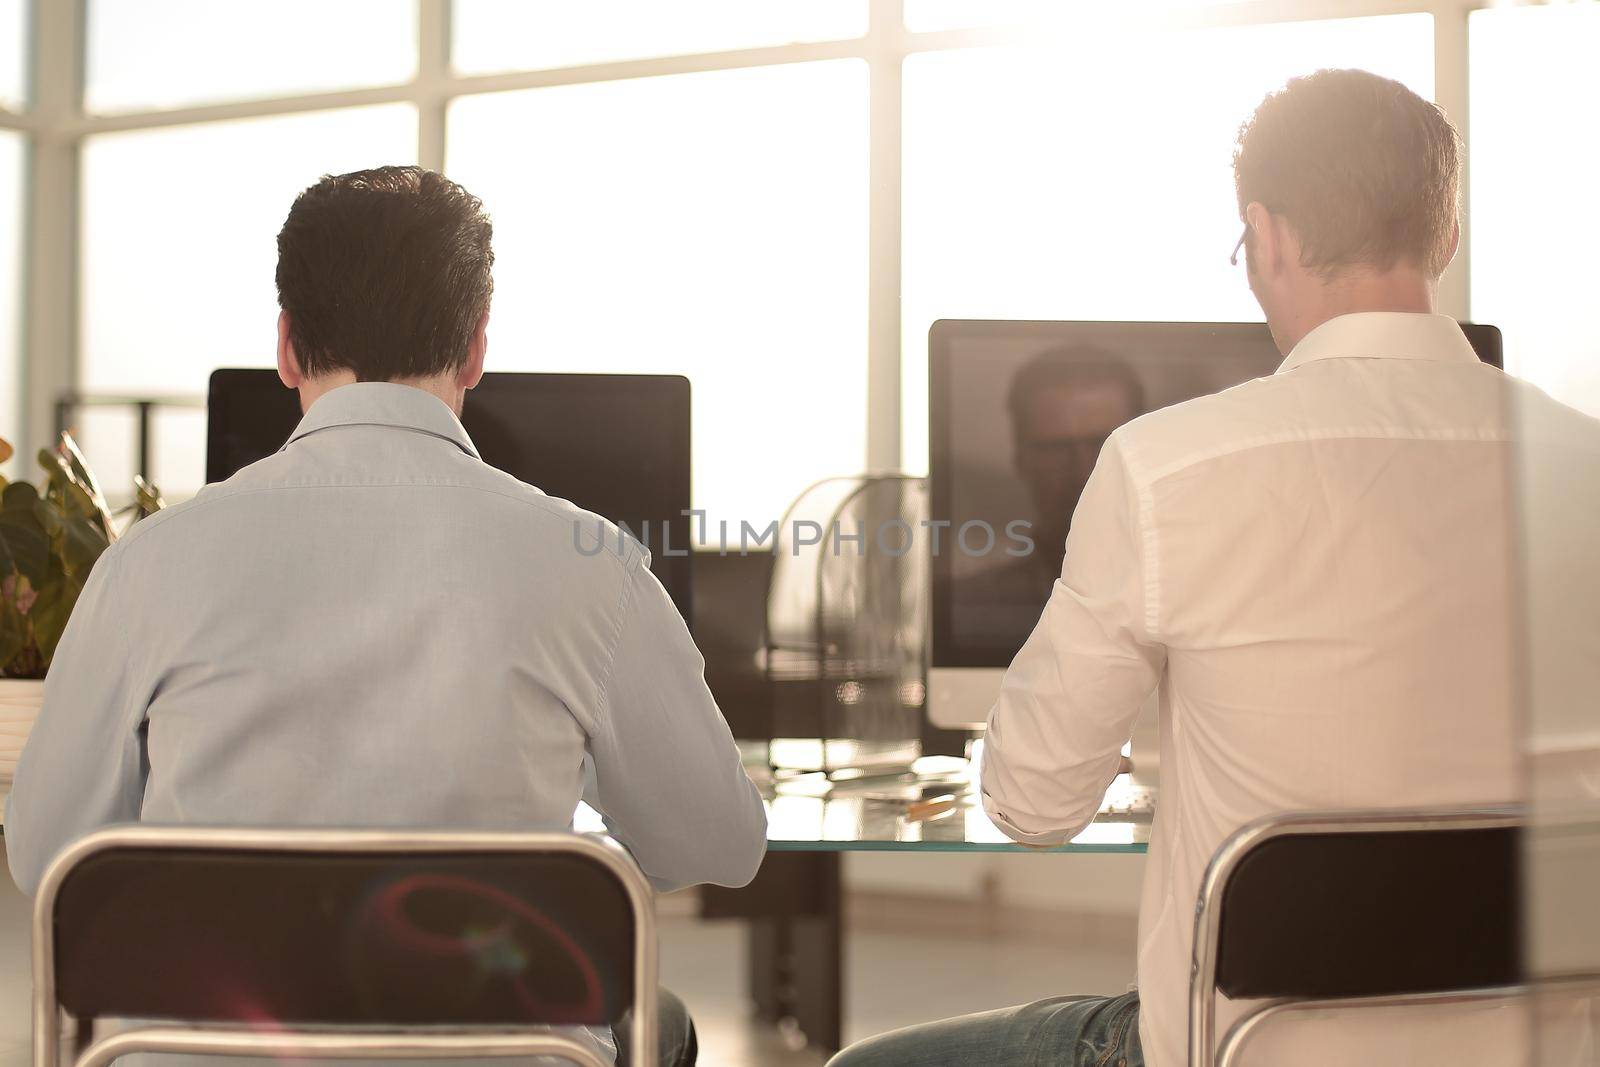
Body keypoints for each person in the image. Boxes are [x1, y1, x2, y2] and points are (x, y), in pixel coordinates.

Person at [830, 68, 1597, 1067]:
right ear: (1444, 235)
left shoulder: (1167, 468)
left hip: (1242, 1046)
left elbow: (1030, 802)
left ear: (1265, 236)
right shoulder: (1584, 467)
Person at [5, 166, 767, 1067]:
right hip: (506, 1055)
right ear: (476, 348)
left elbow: (48, 854)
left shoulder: (146, 564)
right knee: (661, 1022)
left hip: (198, 1052)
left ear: (286, 347)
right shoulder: (591, 565)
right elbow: (720, 841)